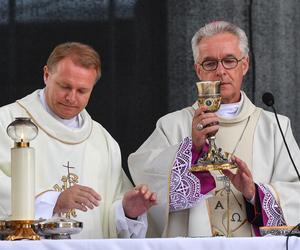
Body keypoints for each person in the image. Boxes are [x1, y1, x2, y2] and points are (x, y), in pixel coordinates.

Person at [128, 21, 300, 237]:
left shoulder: (275, 127)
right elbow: (148, 191)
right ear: (198, 70)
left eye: (229, 61)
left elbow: (296, 194)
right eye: (210, 63)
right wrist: (191, 151)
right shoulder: (171, 126)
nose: (220, 71)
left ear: (244, 65)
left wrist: (254, 193)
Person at [0, 42, 157, 239]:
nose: (71, 98)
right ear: (46, 75)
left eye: (82, 91)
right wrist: (53, 201)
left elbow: (108, 217)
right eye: (65, 86)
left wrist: (128, 211)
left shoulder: (103, 141)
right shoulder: (8, 123)